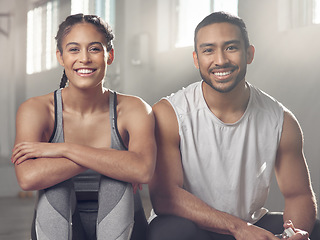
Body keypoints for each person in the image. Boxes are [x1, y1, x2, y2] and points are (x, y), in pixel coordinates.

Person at [147, 12, 319, 240]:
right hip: (190, 225)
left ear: (249, 53)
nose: (220, 60)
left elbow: (298, 195)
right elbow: (165, 197)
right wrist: (239, 228)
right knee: (169, 234)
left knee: (313, 229)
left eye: (231, 48)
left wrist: (292, 234)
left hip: (249, 223)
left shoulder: (281, 120)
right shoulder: (169, 114)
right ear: (196, 59)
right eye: (208, 50)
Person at [11, 14, 156, 240]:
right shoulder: (37, 109)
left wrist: (63, 149)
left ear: (110, 56)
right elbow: (28, 179)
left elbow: (143, 170)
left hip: (126, 227)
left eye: (95, 49)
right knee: (58, 186)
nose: (85, 59)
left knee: (114, 181)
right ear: (60, 56)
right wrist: (112, 158)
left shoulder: (134, 108)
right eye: (74, 49)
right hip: (60, 226)